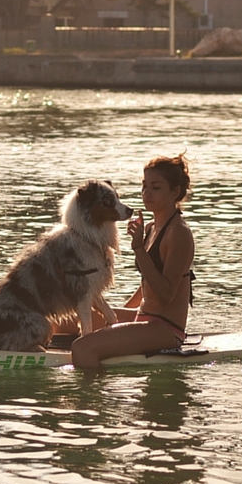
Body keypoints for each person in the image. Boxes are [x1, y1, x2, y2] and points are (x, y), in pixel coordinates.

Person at [71, 153, 194, 369]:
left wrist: (138, 248)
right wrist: (117, 320)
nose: (147, 193)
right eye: (144, 185)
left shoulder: (179, 234)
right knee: (66, 321)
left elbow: (166, 294)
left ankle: (94, 400)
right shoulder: (150, 228)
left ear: (175, 192)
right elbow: (146, 285)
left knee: (82, 348)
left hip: (164, 329)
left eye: (156, 187)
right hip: (144, 317)